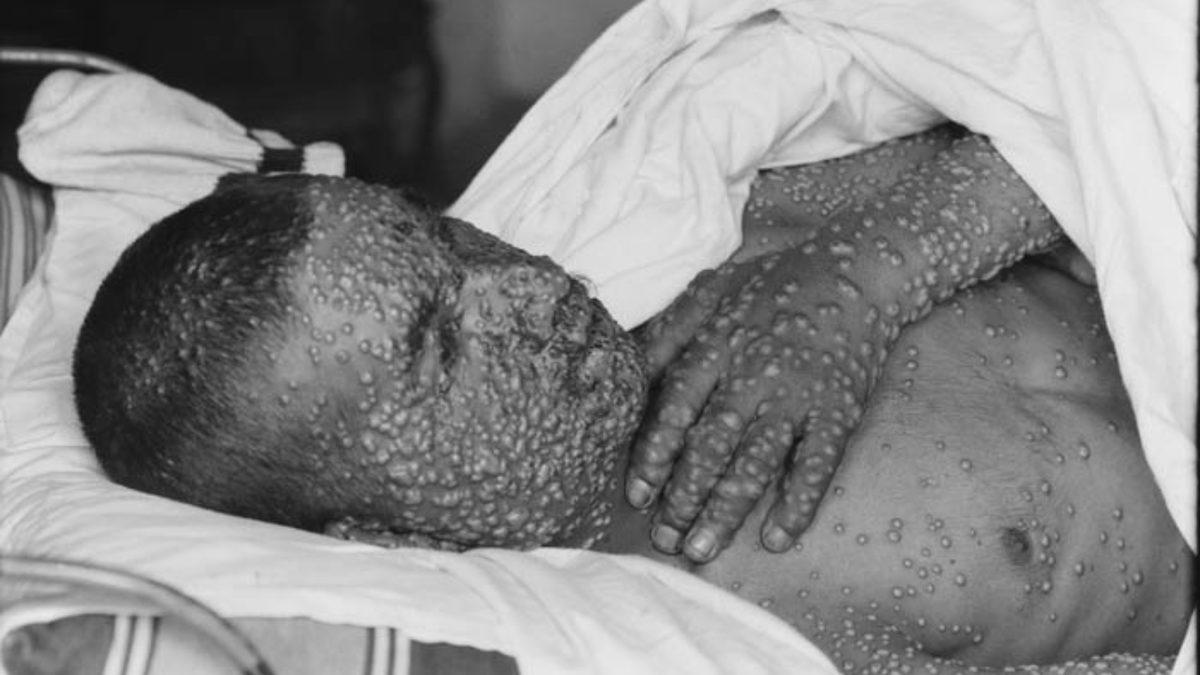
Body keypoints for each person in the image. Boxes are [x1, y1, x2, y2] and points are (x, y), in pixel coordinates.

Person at [71, 129, 1192, 672]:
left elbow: (1085, 132)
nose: (523, 286)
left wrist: (856, 279)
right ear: (382, 535)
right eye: (440, 344)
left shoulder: (726, 236)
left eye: (446, 238)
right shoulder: (720, 633)